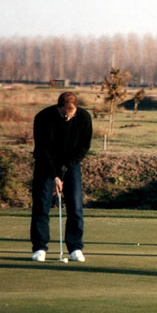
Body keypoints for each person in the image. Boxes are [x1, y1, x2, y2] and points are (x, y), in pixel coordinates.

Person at [31, 92, 92, 262]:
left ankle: (75, 248)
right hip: (45, 165)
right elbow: (42, 150)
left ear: (76, 109)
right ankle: (40, 247)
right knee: (41, 205)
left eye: (71, 113)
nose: (67, 117)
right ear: (58, 107)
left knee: (75, 205)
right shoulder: (43, 117)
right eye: (64, 113)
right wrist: (55, 175)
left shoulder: (84, 118)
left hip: (71, 164)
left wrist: (64, 170)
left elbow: (83, 147)